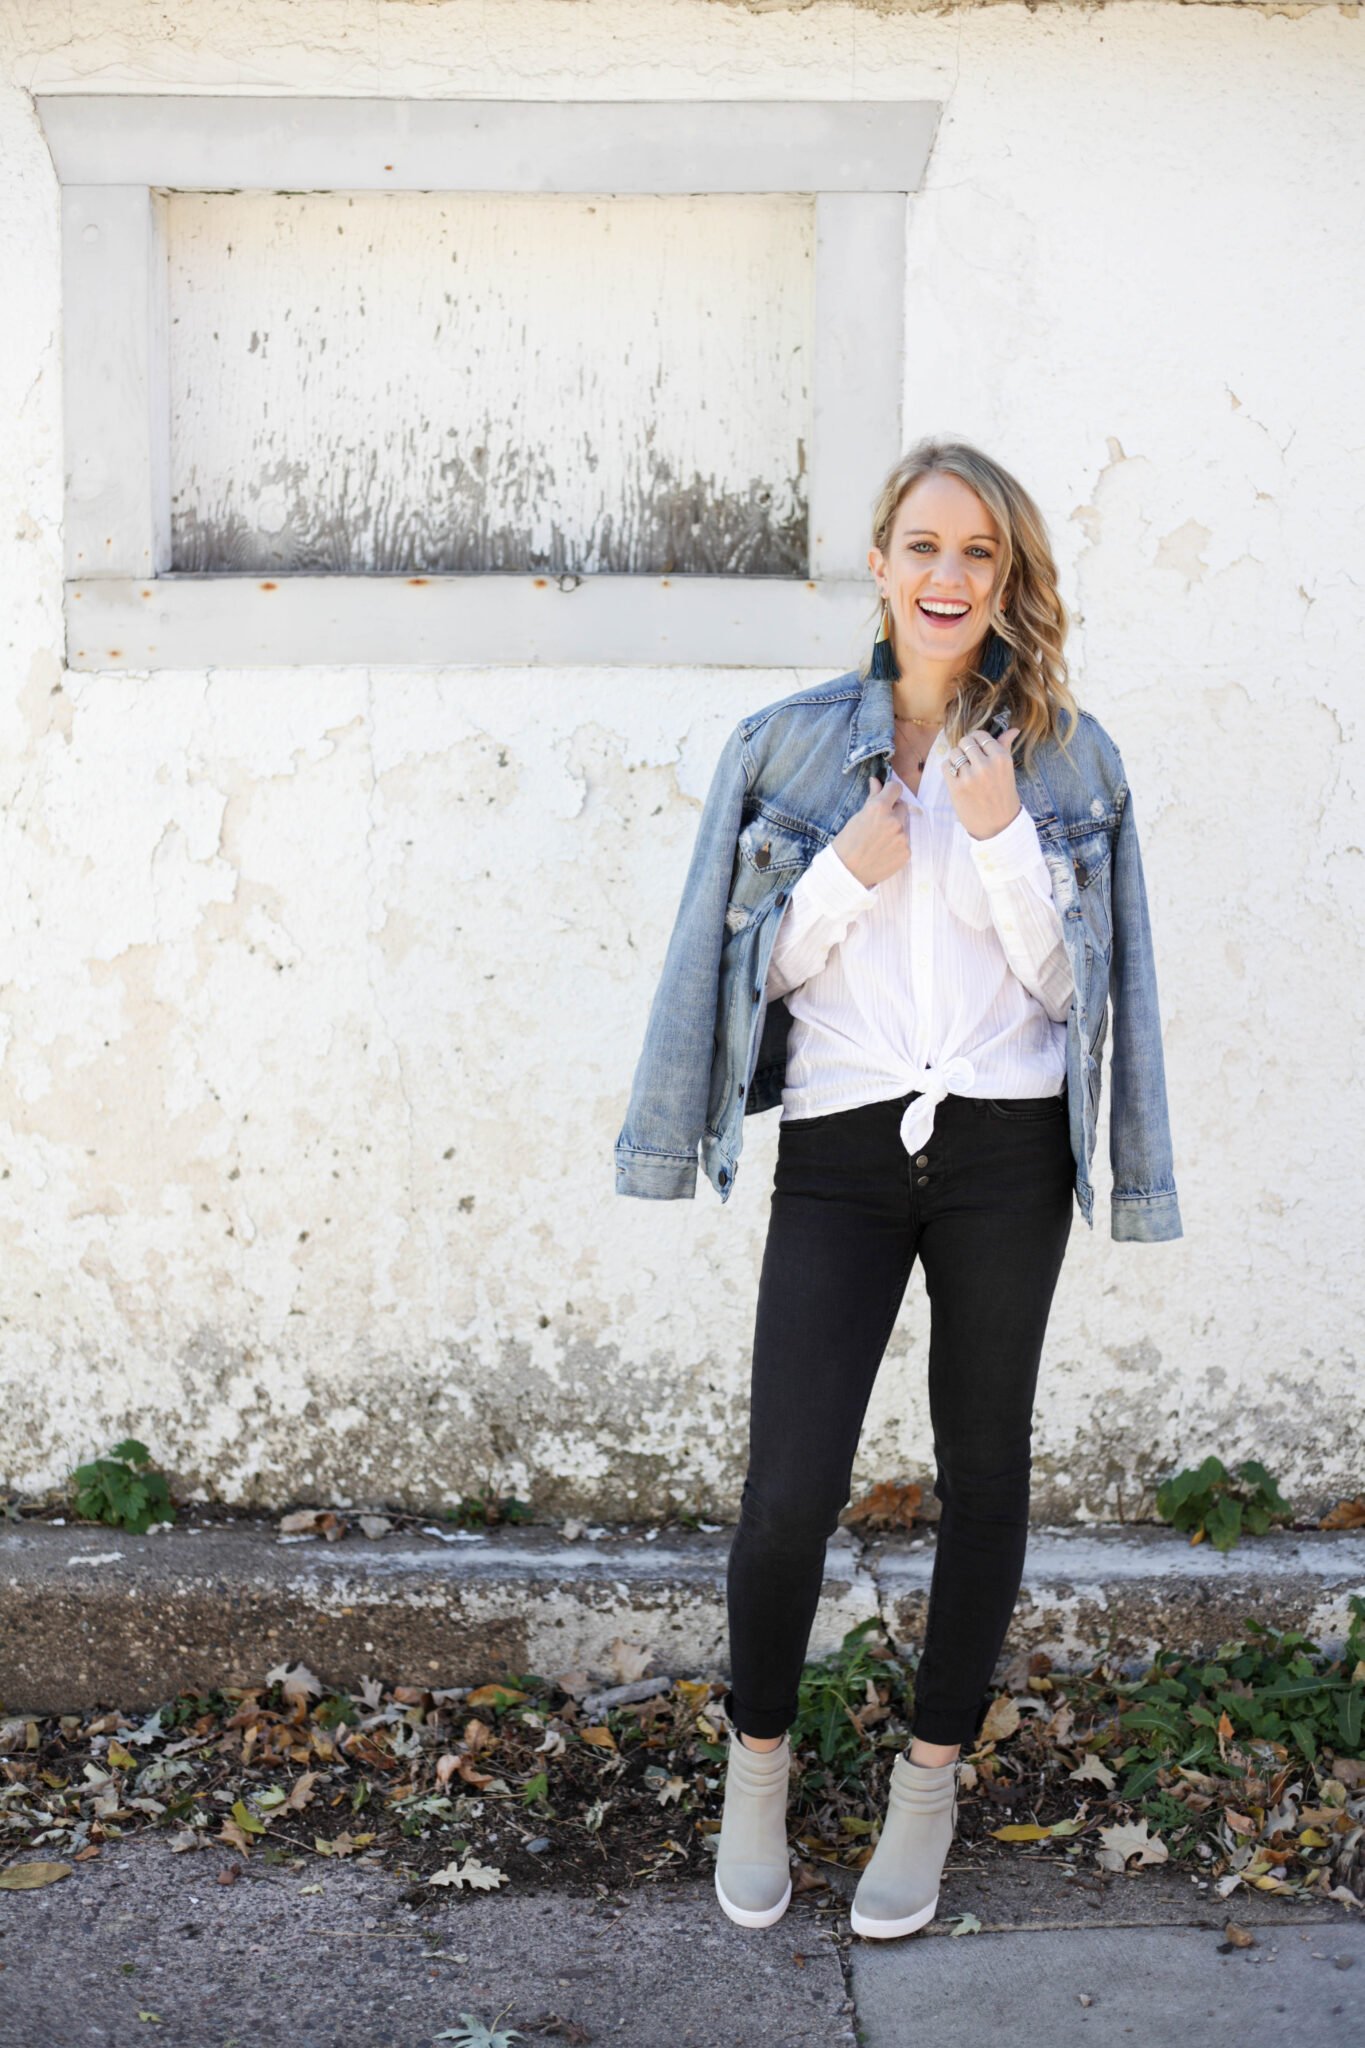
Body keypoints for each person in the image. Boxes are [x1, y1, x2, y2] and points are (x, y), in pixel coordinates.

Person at [613, 437, 1182, 1939]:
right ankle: (758, 1768)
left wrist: (997, 847)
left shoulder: (1071, 759)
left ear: (1008, 580)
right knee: (788, 1488)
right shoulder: (785, 750)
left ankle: (925, 1788)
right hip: (844, 1153)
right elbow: (740, 983)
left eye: (979, 554)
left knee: (982, 1470)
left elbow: (1082, 998)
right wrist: (846, 871)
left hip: (1004, 1154)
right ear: (877, 565)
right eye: (922, 547)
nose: (947, 577)